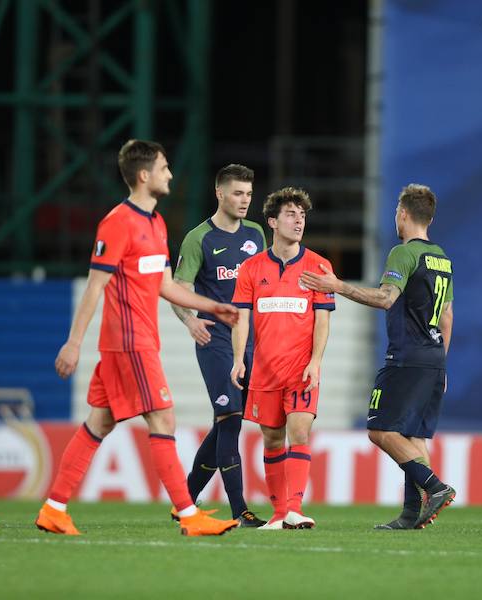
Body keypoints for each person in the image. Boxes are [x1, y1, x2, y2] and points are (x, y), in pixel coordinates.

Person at [35, 139, 240, 537]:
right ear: (144, 176)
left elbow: (165, 285)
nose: (170, 175)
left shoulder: (157, 224)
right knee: (163, 417)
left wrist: (213, 306)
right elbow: (95, 286)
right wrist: (74, 342)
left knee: (99, 422)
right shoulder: (117, 222)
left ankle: (54, 508)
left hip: (139, 340)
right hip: (128, 341)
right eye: (164, 168)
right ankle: (188, 514)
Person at [301, 183, 457, 530]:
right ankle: (411, 515)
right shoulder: (442, 257)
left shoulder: (405, 253)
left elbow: (387, 298)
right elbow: (446, 315)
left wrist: (337, 286)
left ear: (403, 214)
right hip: (433, 357)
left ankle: (435, 487)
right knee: (412, 436)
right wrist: (441, 363)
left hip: (406, 355)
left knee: (380, 430)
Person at [230, 187, 335, 530]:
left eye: (302, 215)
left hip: (301, 369)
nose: (299, 220)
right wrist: (238, 359)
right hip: (264, 370)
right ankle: (278, 515)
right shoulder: (251, 268)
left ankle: (294, 508)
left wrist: (316, 360)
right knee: (272, 439)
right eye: (291, 214)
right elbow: (242, 317)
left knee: (299, 431)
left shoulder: (319, 265)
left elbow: (323, 318)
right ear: (273, 221)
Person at [171, 164, 267, 527]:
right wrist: (191, 320)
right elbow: (179, 288)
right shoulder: (199, 238)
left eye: (248, 194)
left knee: (226, 421)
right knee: (231, 419)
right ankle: (239, 510)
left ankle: (185, 499)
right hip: (216, 339)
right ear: (220, 194)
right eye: (238, 193)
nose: (244, 200)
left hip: (250, 340)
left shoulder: (257, 233)